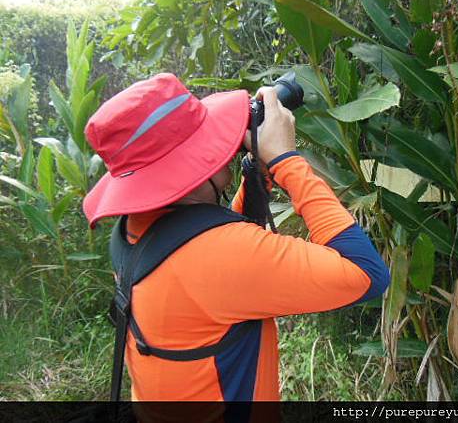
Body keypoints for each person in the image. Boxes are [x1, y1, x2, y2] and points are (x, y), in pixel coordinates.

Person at [83, 73, 390, 401]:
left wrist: (256, 174)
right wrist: (287, 162)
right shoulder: (219, 255)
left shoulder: (131, 230)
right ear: (190, 162)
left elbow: (203, 238)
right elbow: (366, 274)